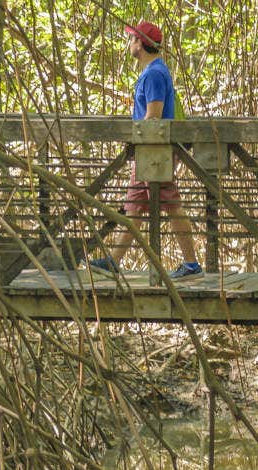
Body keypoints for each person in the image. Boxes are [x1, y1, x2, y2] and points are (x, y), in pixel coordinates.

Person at [87, 21, 204, 279]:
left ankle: (191, 265)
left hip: (154, 151)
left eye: (132, 39)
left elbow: (154, 116)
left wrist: (132, 136)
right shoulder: (154, 71)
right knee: (141, 204)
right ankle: (115, 261)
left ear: (140, 43)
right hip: (152, 151)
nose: (129, 43)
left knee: (159, 204)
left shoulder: (153, 74)